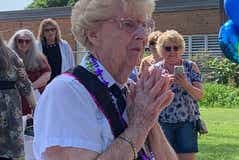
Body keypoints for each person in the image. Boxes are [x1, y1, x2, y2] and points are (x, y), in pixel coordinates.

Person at [33, 0, 178, 160]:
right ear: (93, 34)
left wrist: (150, 115)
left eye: (145, 25)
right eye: (129, 24)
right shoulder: (66, 93)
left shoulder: (131, 90)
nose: (143, 35)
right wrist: (140, 125)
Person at [154, 30, 204, 160]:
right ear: (160, 49)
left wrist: (185, 84)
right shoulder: (154, 70)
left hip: (187, 122)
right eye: (167, 48)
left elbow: (199, 96)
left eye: (176, 47)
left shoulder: (191, 67)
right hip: (162, 121)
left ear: (181, 49)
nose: (172, 51)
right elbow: (149, 98)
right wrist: (164, 84)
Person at [0, 35, 35, 160]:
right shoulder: (11, 54)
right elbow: (24, 83)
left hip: (11, 109)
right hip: (11, 107)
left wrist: (35, 106)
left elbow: (23, 81)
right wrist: (34, 105)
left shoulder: (10, 55)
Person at [8, 29, 51, 115]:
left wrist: (30, 87)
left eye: (27, 41)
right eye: (20, 41)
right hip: (15, 98)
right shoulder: (8, 57)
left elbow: (47, 74)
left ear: (31, 43)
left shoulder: (39, 57)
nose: (24, 44)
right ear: (15, 42)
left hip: (35, 96)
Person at [37, 18, 75, 83]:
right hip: (44, 85)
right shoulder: (37, 46)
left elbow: (71, 64)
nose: (50, 32)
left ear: (56, 31)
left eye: (52, 29)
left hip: (62, 82)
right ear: (43, 33)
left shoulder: (64, 45)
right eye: (47, 30)